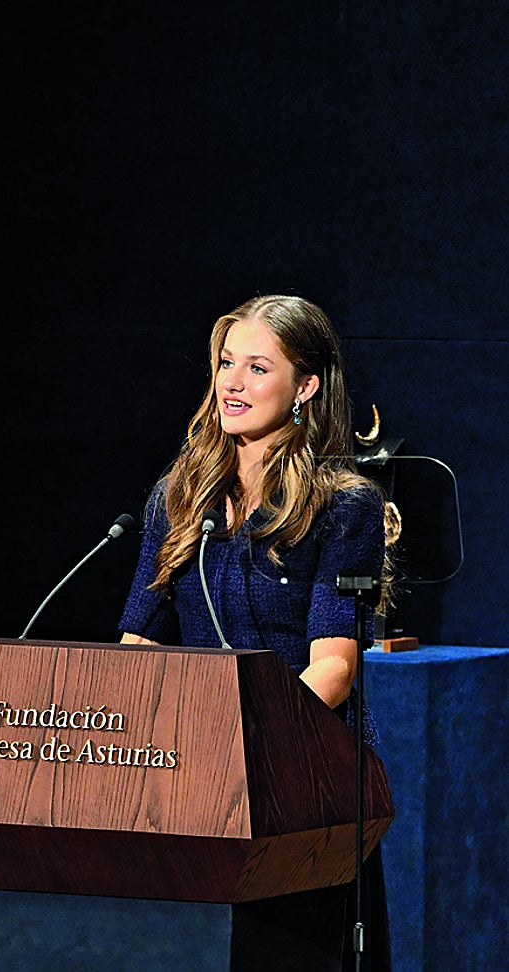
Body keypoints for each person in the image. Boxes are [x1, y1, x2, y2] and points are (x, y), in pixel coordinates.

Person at [119, 294, 391, 971]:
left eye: (257, 368)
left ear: (306, 386)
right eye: (225, 364)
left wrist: (242, 746)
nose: (232, 384)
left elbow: (333, 668)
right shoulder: (180, 492)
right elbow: (139, 644)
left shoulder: (344, 504)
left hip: (302, 776)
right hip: (189, 778)